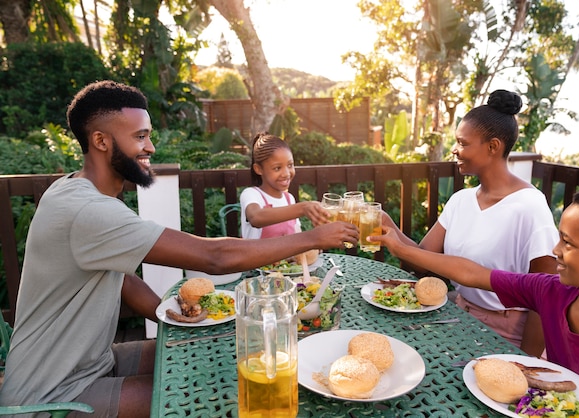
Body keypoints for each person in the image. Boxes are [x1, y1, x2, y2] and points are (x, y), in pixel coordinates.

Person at [0, 81, 359, 418]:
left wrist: (169, 314)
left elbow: (118, 276)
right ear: (101, 140)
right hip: (46, 391)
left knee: (197, 354)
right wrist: (314, 237)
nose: (150, 147)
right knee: (203, 393)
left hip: (90, 360)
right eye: (140, 137)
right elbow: (213, 257)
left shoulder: (75, 191)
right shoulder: (88, 210)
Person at [372, 183, 579, 417]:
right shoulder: (551, 291)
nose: (554, 250)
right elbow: (473, 273)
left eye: (568, 243)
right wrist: (402, 249)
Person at [383, 89, 558, 356]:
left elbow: (546, 298)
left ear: (493, 146)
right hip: (459, 316)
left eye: (463, 143)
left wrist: (529, 362)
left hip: (508, 332)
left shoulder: (530, 208)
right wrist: (388, 226)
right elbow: (421, 261)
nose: (455, 149)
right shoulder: (461, 200)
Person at [240, 132, 329, 239]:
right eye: (277, 168)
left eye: (290, 165)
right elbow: (256, 217)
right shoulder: (251, 194)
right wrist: (303, 208)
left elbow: (296, 237)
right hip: (256, 256)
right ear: (258, 169)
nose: (286, 173)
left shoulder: (289, 199)